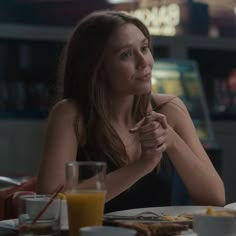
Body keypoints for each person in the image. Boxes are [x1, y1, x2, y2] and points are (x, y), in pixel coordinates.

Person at [37, 10, 225, 212]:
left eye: (144, 48)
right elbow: (50, 204)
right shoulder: (70, 114)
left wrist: (171, 140)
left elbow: (215, 198)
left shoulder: (170, 109)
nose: (143, 62)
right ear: (97, 68)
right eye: (126, 54)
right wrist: (143, 165)